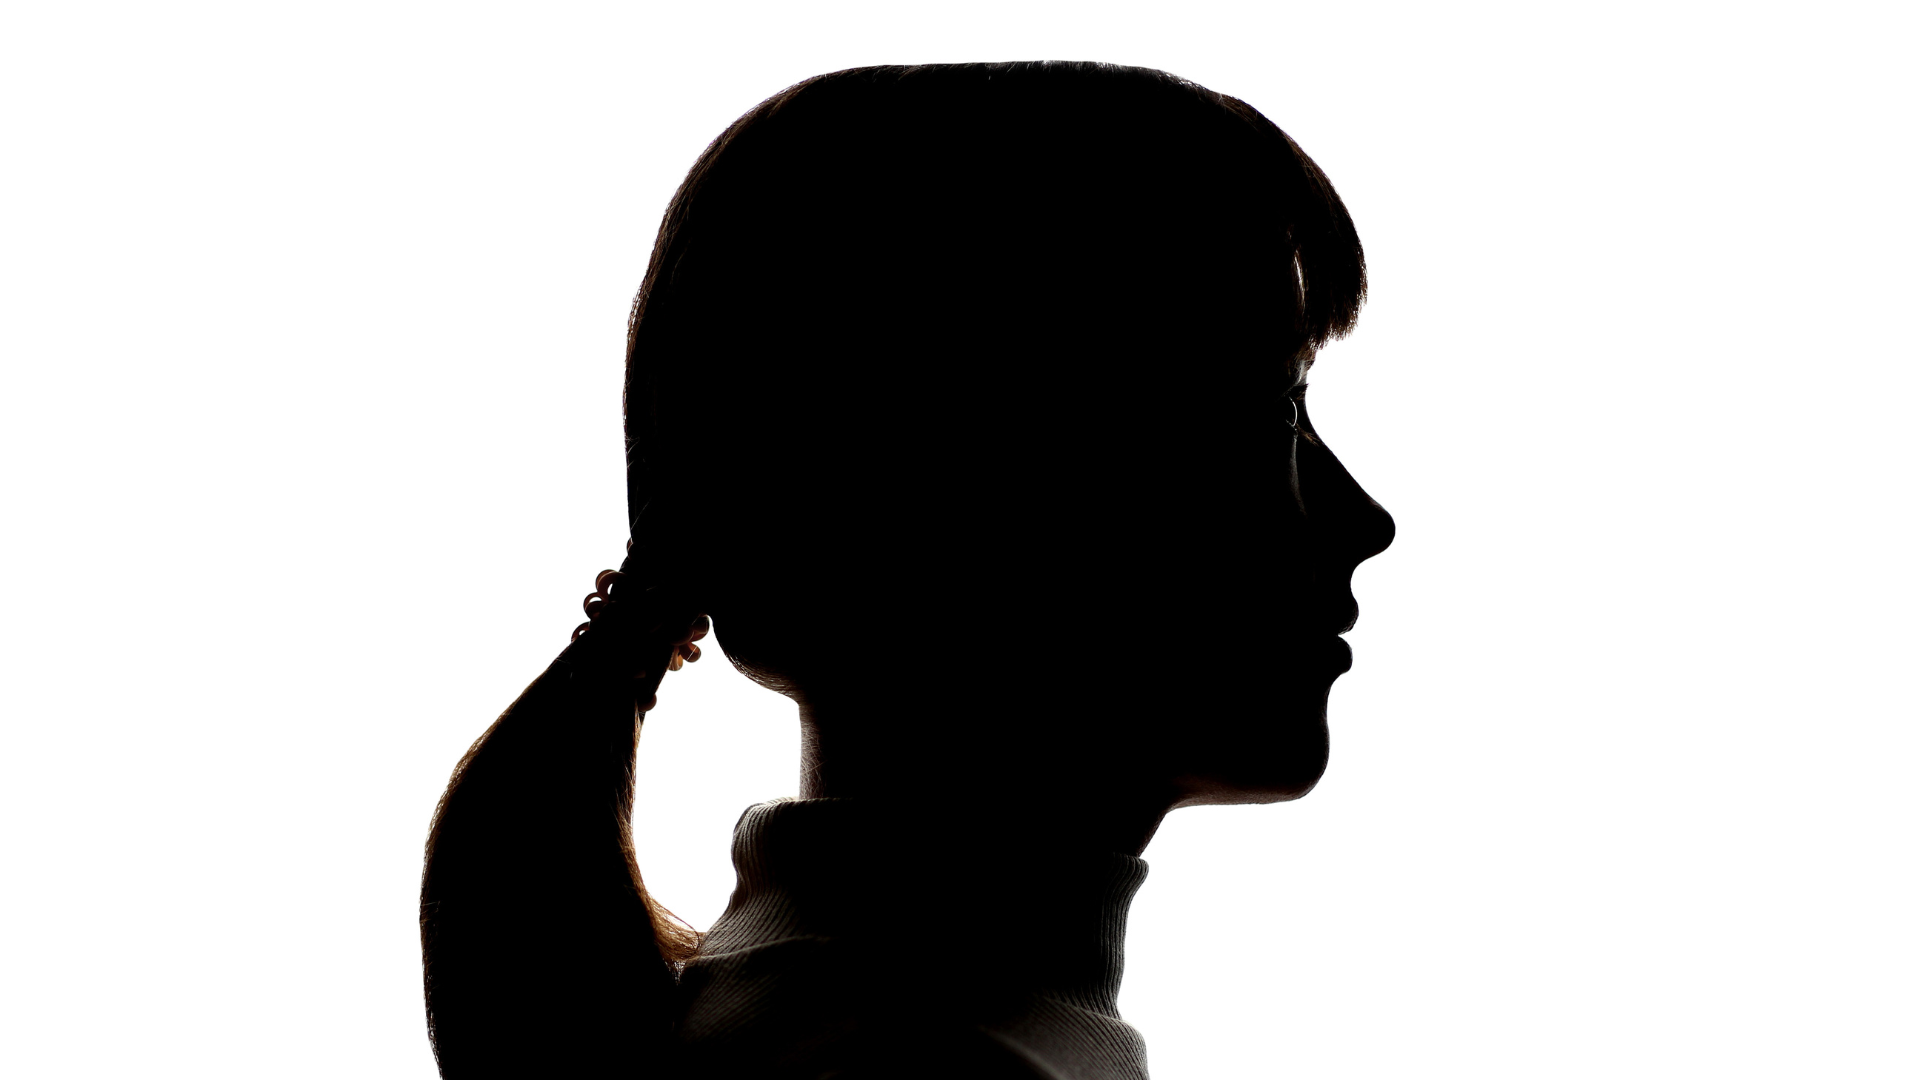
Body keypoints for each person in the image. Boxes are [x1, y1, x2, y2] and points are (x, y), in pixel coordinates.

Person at [420, 60, 1394, 1079]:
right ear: (978, 473)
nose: (1366, 520)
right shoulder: (934, 1063)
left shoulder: (842, 1023)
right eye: (1273, 413)